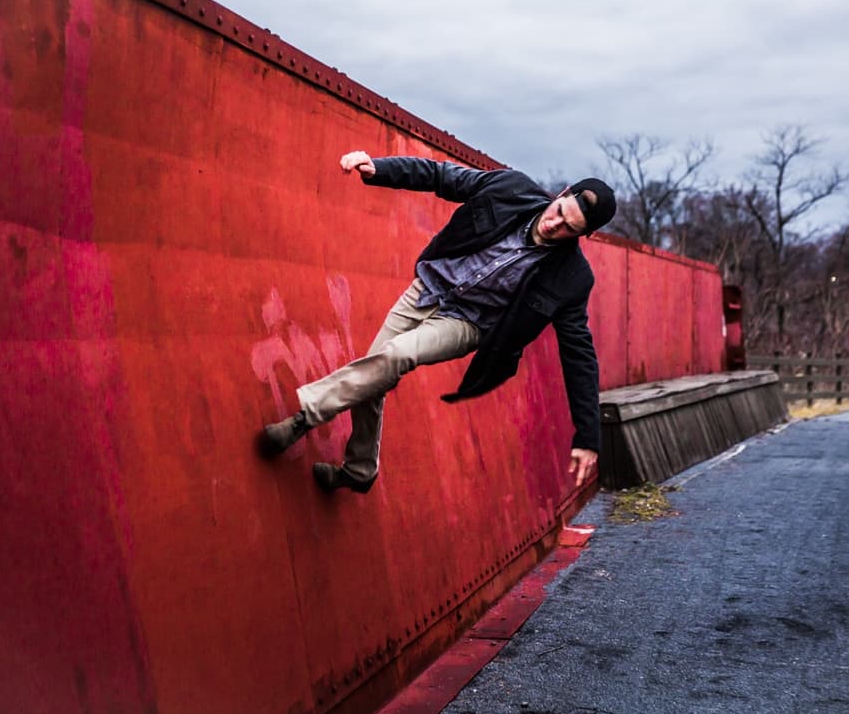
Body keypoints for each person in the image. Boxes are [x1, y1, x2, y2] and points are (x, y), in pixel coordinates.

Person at [262, 151, 616, 494]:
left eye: (569, 228)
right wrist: (379, 168)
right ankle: (359, 471)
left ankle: (303, 419)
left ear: (584, 235)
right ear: (561, 193)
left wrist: (588, 437)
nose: (554, 225)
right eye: (558, 212)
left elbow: (579, 355)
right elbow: (440, 176)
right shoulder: (511, 188)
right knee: (374, 373)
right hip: (427, 287)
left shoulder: (572, 278)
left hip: (467, 322)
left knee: (396, 354)